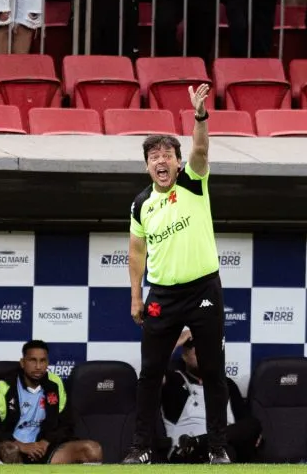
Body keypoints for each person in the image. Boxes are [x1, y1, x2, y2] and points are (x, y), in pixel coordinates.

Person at [124, 84, 229, 465]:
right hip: (162, 296)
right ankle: (141, 448)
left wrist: (200, 115)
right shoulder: (141, 204)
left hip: (203, 290)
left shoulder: (193, 182)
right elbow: (137, 251)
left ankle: (218, 449)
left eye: (168, 154)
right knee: (150, 372)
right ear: (146, 165)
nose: (161, 161)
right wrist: (137, 295)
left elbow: (201, 149)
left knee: (214, 372)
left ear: (179, 162)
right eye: (154, 156)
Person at [0, 340, 103, 464]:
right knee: (9, 451)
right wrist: (20, 445)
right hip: (14, 448)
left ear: (48, 363)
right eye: (32, 360)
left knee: (92, 450)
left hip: (43, 449)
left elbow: (67, 424)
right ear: (23, 362)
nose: (38, 366)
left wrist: (45, 442)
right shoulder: (3, 386)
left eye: (43, 361)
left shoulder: (55, 384)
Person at [163, 329, 261, 463]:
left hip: (222, 448)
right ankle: (198, 444)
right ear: (184, 356)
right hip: (186, 454)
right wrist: (177, 341)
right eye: (196, 349)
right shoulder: (174, 381)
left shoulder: (227, 384)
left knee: (252, 425)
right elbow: (151, 373)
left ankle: (199, 442)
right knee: (226, 451)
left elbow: (245, 425)